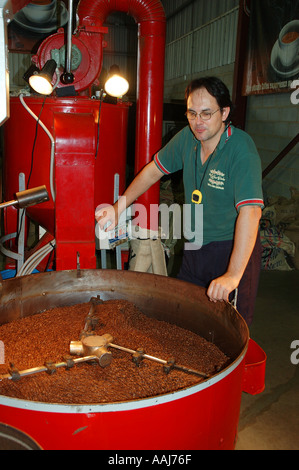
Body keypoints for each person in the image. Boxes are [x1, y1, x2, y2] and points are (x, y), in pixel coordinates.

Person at [96, 76, 264, 325]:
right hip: (195, 244)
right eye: (192, 113)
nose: (198, 122)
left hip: (231, 248)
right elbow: (154, 170)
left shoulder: (241, 149)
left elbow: (250, 212)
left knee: (228, 328)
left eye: (206, 114)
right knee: (184, 319)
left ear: (225, 112)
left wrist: (232, 275)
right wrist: (118, 207)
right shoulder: (188, 139)